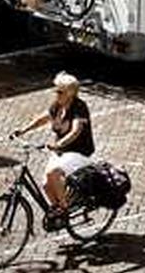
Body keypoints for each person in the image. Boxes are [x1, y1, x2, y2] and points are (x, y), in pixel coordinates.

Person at [12, 72, 95, 229]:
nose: (56, 94)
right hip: (61, 151)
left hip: (79, 152)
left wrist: (59, 144)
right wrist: (23, 130)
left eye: (60, 91)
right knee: (46, 185)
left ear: (70, 93)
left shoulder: (79, 107)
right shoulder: (57, 105)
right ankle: (58, 211)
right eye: (56, 90)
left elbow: (76, 131)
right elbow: (43, 118)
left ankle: (63, 210)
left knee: (53, 173)